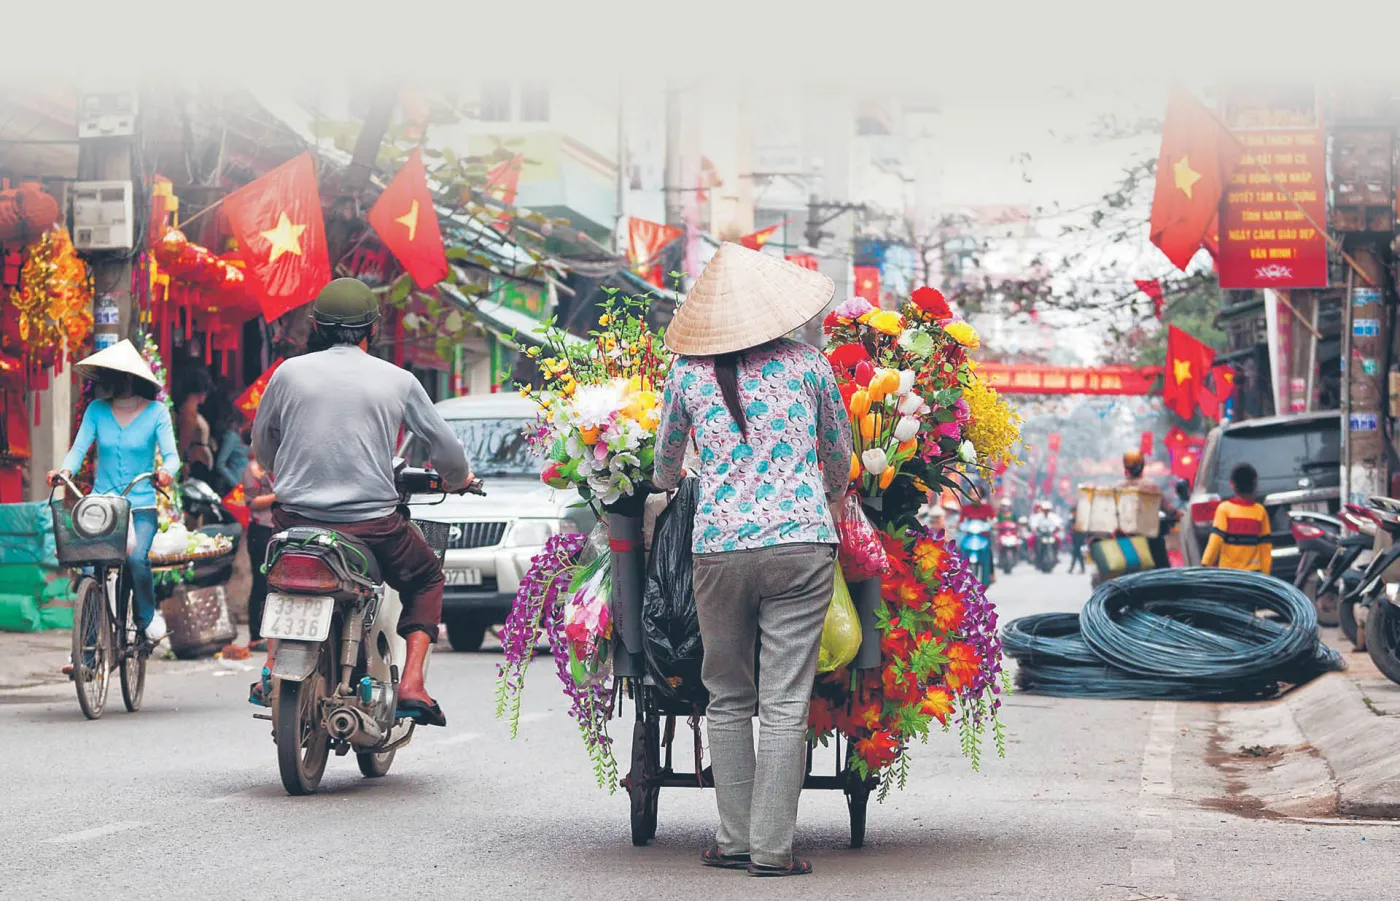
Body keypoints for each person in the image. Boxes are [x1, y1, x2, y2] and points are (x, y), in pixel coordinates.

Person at [653, 243, 851, 878]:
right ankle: (772, 851)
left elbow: (665, 465)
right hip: (801, 544)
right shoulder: (810, 365)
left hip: (717, 548)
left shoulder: (686, 374)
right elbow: (837, 453)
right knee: (786, 699)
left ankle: (734, 839)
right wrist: (826, 496)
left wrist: (687, 475)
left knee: (728, 695)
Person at [252, 278, 473, 725]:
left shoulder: (287, 373)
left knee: (280, 578)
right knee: (426, 576)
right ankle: (412, 682)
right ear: (373, 327)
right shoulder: (398, 379)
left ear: (316, 326)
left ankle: (272, 668)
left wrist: (289, 471)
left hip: (294, 519)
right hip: (370, 526)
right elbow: (447, 451)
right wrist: (457, 479)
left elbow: (263, 445)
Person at [50, 340, 180, 644]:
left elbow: (172, 457)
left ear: (133, 378)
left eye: (120, 375)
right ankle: (87, 647)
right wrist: (64, 472)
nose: (114, 381)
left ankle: (145, 618)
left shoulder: (157, 412)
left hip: (141, 506)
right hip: (102, 508)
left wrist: (165, 473)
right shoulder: (97, 410)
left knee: (136, 561)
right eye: (110, 375)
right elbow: (79, 448)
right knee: (88, 567)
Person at [1201, 463, 1272, 572]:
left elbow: (1216, 539)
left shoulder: (1224, 509)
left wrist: (1206, 563)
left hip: (1230, 573)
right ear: (1255, 485)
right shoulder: (1260, 511)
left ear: (1232, 484)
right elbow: (1265, 546)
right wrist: (1266, 573)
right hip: (1254, 573)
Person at [241, 454, 275, 652]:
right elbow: (252, 502)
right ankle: (255, 636)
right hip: (260, 529)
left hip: (276, 528)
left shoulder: (280, 466)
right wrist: (278, 495)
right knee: (260, 581)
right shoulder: (253, 469)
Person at [206, 388, 249, 496]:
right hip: (236, 486)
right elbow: (220, 464)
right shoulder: (232, 436)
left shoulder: (243, 433)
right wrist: (235, 484)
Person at [175, 367, 215, 482]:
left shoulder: (191, 410)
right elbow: (183, 443)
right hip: (195, 463)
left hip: (199, 461)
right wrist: (183, 462)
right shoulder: (188, 413)